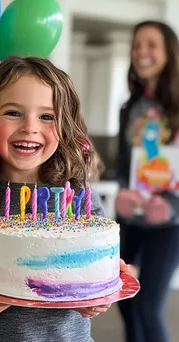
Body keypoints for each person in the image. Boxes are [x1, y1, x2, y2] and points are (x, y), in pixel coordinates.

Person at [0, 56, 131, 342]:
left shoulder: (78, 196)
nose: (30, 127)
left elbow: (100, 268)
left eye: (46, 116)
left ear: (64, 124)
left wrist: (99, 296)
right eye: (13, 113)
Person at [115, 21, 179, 342]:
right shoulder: (129, 109)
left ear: (169, 52)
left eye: (151, 45)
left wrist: (169, 205)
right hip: (130, 218)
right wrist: (121, 194)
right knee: (125, 302)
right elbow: (124, 167)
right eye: (137, 44)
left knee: (148, 306)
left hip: (169, 225)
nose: (142, 52)